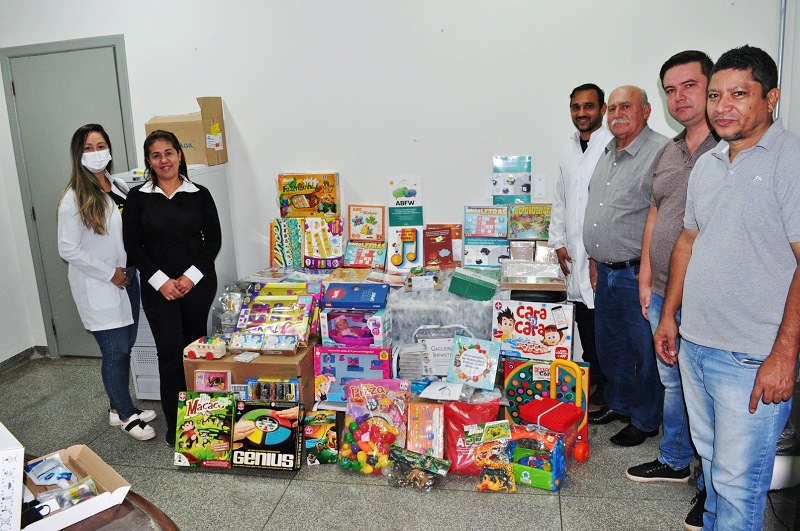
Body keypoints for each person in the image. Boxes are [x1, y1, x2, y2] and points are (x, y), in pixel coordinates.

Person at [654, 45, 798, 530]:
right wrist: (670, 315)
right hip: (696, 345)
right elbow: (687, 242)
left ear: (771, 97)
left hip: (752, 356)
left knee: (738, 485)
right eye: (715, 94)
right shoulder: (711, 162)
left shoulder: (790, 160)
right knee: (714, 473)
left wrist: (785, 355)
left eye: (739, 94)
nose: (722, 107)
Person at [625, 50, 717, 531]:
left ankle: (711, 492)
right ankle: (676, 458)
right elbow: (656, 215)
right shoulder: (669, 150)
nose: (678, 97)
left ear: (712, 86)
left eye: (689, 86)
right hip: (662, 289)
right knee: (671, 383)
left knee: (705, 393)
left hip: (704, 297)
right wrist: (645, 276)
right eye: (670, 89)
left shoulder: (727, 150)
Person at [57, 124, 156, 441]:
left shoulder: (120, 186)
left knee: (125, 347)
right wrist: (108, 272)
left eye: (101, 145)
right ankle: (128, 416)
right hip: (100, 284)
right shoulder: (73, 199)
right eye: (88, 148)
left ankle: (117, 409)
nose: (96, 152)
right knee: (114, 353)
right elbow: (67, 248)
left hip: (128, 279)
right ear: (78, 155)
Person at [122, 130, 222, 445]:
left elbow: (213, 241)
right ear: (149, 162)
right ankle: (177, 426)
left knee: (193, 352)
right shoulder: (138, 197)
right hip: (157, 287)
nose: (164, 160)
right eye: (156, 155)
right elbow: (132, 244)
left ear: (179, 155)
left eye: (169, 152)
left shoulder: (200, 193)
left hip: (198, 284)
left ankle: (201, 420)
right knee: (168, 353)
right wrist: (161, 281)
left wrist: (190, 277)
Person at [583, 86, 669, 447]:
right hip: (606, 271)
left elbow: (665, 218)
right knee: (611, 346)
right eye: (613, 107)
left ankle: (646, 419)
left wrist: (648, 271)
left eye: (626, 106)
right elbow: (600, 212)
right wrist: (593, 259)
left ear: (646, 111)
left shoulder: (661, 152)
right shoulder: (606, 151)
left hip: (638, 274)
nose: (617, 113)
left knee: (644, 352)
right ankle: (618, 404)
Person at [549, 83, 613, 410]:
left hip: (601, 255)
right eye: (576, 107)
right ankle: (596, 384)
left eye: (589, 106)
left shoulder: (611, 146)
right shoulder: (568, 149)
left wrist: (600, 253)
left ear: (602, 109)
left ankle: (610, 390)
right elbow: (561, 199)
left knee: (605, 324)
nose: (582, 113)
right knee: (584, 321)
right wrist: (558, 242)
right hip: (573, 253)